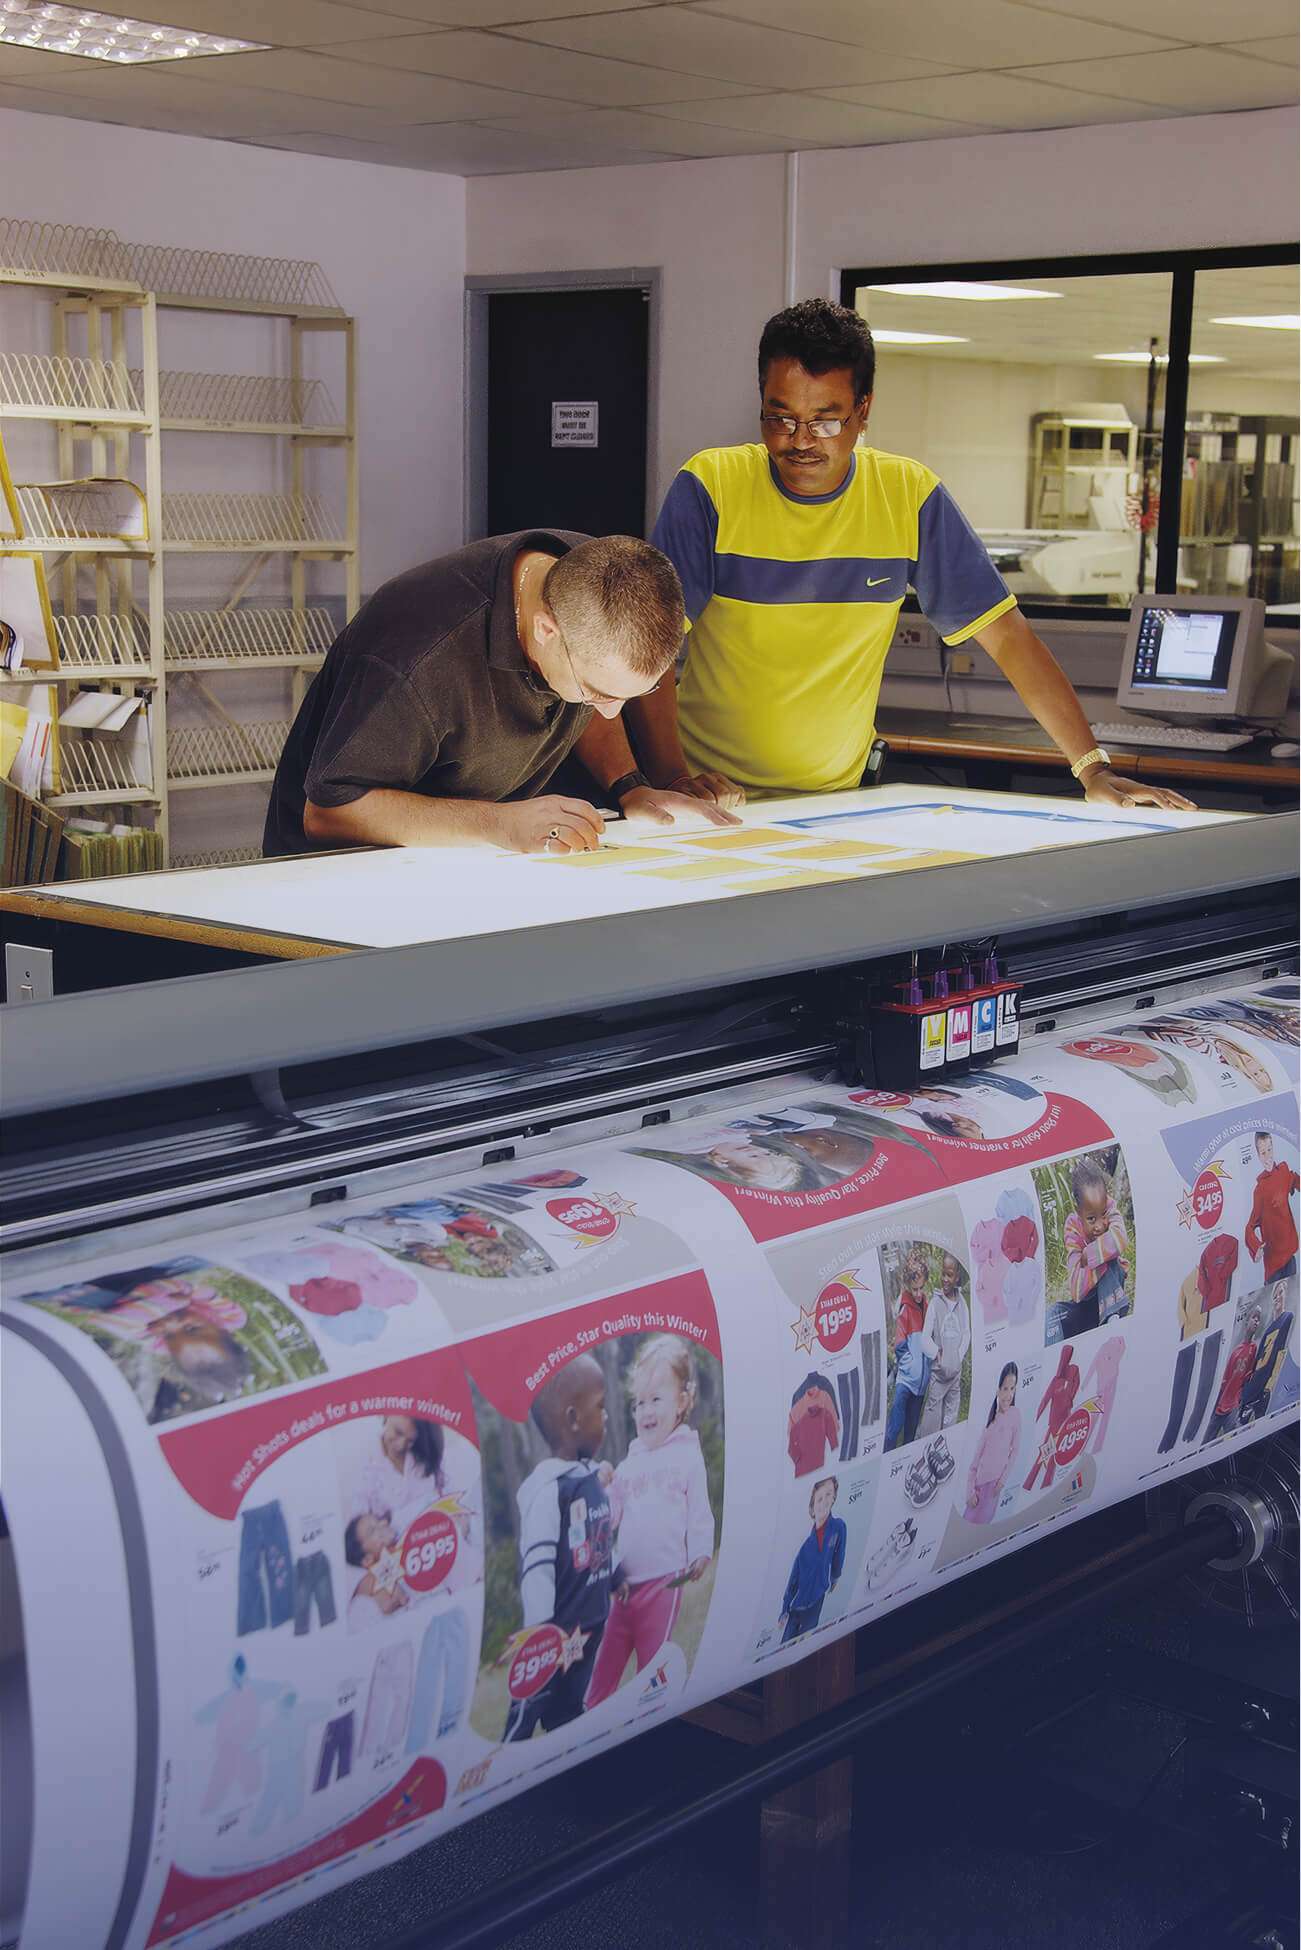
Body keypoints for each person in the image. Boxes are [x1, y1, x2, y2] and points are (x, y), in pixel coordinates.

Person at [624, 299, 1193, 814]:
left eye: (825, 420)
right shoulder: (711, 487)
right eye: (781, 418)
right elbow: (647, 652)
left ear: (863, 410)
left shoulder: (908, 496)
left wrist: (1092, 769)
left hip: (835, 803)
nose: (800, 440)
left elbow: (1009, 639)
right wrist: (674, 777)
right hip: (710, 798)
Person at [264, 530, 739, 858]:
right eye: (597, 691)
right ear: (546, 630)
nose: (612, 713)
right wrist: (499, 824)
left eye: (629, 695)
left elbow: (589, 705)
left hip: (480, 846)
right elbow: (328, 812)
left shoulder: (593, 578)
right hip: (340, 873)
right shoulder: (419, 655)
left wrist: (631, 788)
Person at [584, 1338, 715, 1708]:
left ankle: (648, 1712)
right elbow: (610, 1515)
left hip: (663, 1582)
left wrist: (701, 1551)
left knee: (651, 1661)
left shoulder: (687, 1457)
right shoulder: (631, 1462)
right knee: (607, 1657)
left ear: (682, 1402)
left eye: (656, 1399)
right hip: (624, 1585)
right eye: (639, 1403)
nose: (645, 1411)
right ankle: (593, 1709)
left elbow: (699, 1510)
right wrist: (601, 1488)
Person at [502, 1353, 613, 1741]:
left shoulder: (587, 1479)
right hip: (556, 1632)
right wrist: (539, 1629)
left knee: (569, 1705)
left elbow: (599, 1541)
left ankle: (568, 1746)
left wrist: (614, 1576)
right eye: (600, 1406)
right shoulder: (550, 1491)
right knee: (532, 1700)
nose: (606, 1416)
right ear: (573, 1419)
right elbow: (538, 1561)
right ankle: (508, 1756)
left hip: (589, 1627)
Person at [1062, 1156, 1130, 1334]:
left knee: (1111, 1262)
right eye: (1091, 1218)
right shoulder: (1072, 1226)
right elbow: (1076, 1289)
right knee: (1055, 1312)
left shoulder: (1110, 1207)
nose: (1099, 1226)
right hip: (1088, 1298)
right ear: (1078, 1211)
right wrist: (1101, 1256)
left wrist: (1089, 1254)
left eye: (1103, 1214)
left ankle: (1112, 1317)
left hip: (1112, 1287)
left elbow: (1120, 1239)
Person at [779, 1476, 846, 1642]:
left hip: (816, 1602)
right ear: (812, 1508)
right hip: (796, 1607)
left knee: (806, 1639)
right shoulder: (804, 1549)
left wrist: (835, 1577)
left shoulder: (838, 1527)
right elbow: (792, 1582)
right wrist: (784, 1609)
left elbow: (839, 1554)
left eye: (828, 1494)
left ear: (834, 1497)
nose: (824, 1502)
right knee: (786, 1642)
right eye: (819, 1499)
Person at [919, 1253, 971, 1435]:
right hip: (939, 1375)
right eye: (943, 1274)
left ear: (957, 1277)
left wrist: (958, 1356)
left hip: (955, 1375)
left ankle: (947, 1444)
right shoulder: (935, 1303)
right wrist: (937, 1353)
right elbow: (925, 1339)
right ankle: (926, 1444)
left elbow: (966, 1333)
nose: (945, 1279)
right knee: (931, 1422)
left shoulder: (962, 1304)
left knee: (950, 1420)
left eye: (949, 1275)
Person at [964, 1362, 1021, 1525]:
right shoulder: (990, 1425)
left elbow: (1015, 1451)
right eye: (1005, 1389)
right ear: (998, 1390)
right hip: (978, 1490)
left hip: (994, 1488)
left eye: (1012, 1388)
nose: (1009, 1394)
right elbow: (974, 1465)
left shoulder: (1015, 1415)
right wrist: (969, 1493)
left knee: (986, 1524)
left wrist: (1002, 1482)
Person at [1244, 1131, 1299, 1283]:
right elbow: (1250, 1226)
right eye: (1263, 1153)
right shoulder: (1260, 1190)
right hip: (1273, 1265)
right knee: (1274, 1295)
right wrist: (1256, 1246)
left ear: (1273, 1148)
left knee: (1293, 1293)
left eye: (1269, 1150)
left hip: (1289, 1255)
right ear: (1258, 1155)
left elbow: (1294, 1179)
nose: (1267, 1156)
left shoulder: (1283, 1171)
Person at [1238, 1282, 1297, 1424]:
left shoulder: (1288, 1317)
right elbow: (1257, 1362)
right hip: (1254, 1387)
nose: (1277, 1298)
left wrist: (1270, 1385)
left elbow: (1283, 1352)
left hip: (1268, 1388)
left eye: (1280, 1293)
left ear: (1286, 1293)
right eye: (1275, 1296)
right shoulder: (1268, 1329)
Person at [1202, 1311, 1263, 1443]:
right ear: (1246, 1321)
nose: (1256, 1321)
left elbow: (1250, 1375)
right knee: (1205, 1441)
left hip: (1234, 1404)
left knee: (1233, 1439)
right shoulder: (1235, 1351)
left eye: (1258, 1319)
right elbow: (1224, 1380)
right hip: (1220, 1405)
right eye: (1254, 1318)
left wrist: (1241, 1398)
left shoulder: (1254, 1348)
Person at [344, 1511, 409, 1625]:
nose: (384, 1523)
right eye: (372, 1530)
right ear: (367, 1559)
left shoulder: (408, 1540)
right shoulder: (364, 1602)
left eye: (379, 1520)